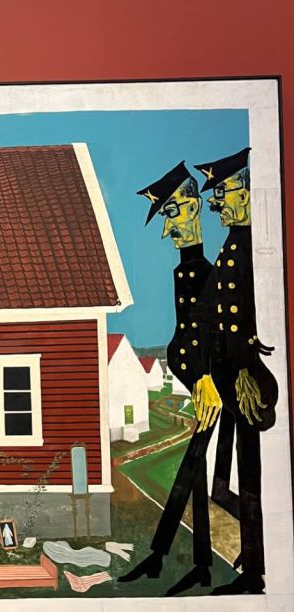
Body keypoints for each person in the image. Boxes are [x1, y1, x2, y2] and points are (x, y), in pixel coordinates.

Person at [120, 162, 225, 596]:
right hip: (201, 383)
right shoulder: (186, 270)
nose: (168, 229)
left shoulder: (208, 273)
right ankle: (194, 563)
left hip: (215, 387)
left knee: (193, 468)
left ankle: (166, 557)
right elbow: (185, 337)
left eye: (172, 213)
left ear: (195, 206)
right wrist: (193, 371)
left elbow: (213, 335)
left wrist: (206, 377)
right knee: (192, 472)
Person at [196, 148, 276, 595]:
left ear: (245, 193)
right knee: (225, 482)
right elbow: (210, 311)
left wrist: (245, 362)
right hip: (228, 379)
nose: (218, 204)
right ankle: (253, 550)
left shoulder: (253, 247)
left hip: (246, 381)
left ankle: (255, 567)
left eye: (223, 194)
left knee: (249, 478)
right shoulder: (230, 246)